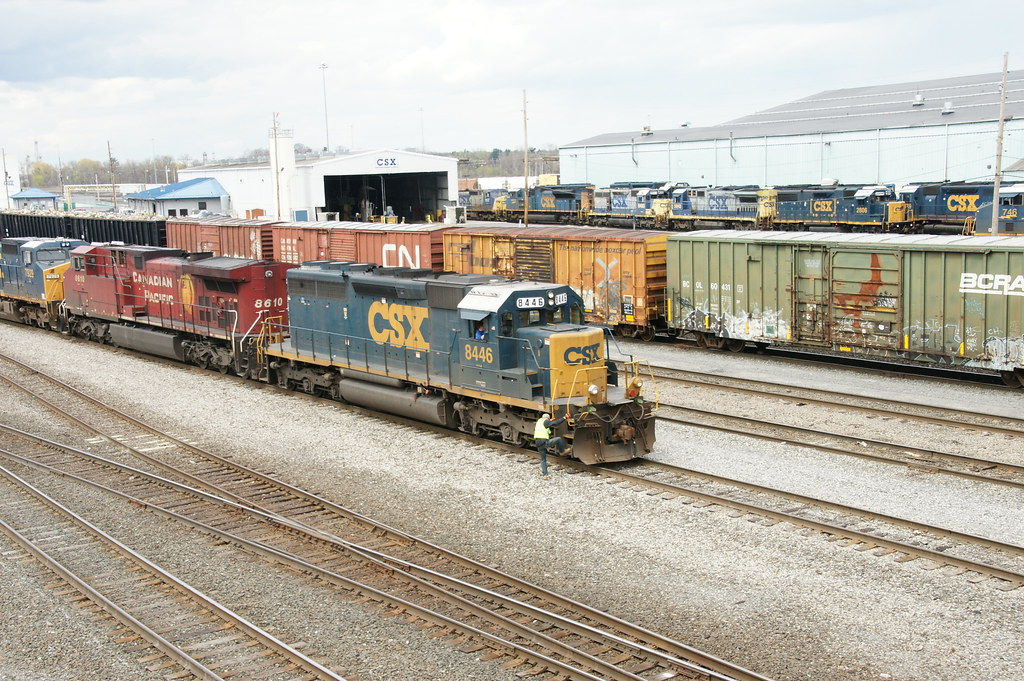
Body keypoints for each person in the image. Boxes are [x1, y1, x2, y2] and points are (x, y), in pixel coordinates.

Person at [533, 412, 570, 479]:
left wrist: (549, 421)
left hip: (538, 443)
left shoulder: (539, 421)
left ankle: (545, 475)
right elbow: (555, 423)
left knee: (543, 460)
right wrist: (564, 417)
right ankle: (562, 451)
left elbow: (546, 426)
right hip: (544, 442)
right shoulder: (545, 422)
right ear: (547, 418)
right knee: (558, 439)